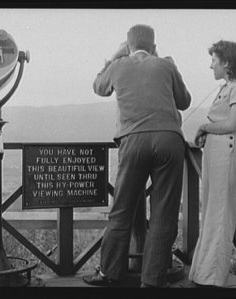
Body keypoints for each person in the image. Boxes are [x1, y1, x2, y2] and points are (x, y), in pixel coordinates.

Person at [82, 24, 191, 288]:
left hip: (133, 141)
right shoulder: (165, 65)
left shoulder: (118, 65)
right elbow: (184, 101)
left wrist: (114, 56)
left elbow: (99, 87)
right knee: (164, 214)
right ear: (154, 45)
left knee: (121, 210)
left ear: (127, 45)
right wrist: (172, 66)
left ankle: (109, 273)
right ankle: (152, 281)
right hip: (169, 140)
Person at [189, 40, 236, 287]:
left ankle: (212, 278)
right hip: (216, 153)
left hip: (228, 151)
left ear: (227, 62)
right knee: (210, 213)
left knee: (221, 215)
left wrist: (204, 126)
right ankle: (203, 274)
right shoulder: (227, 87)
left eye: (214, 61)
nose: (211, 66)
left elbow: (230, 124)